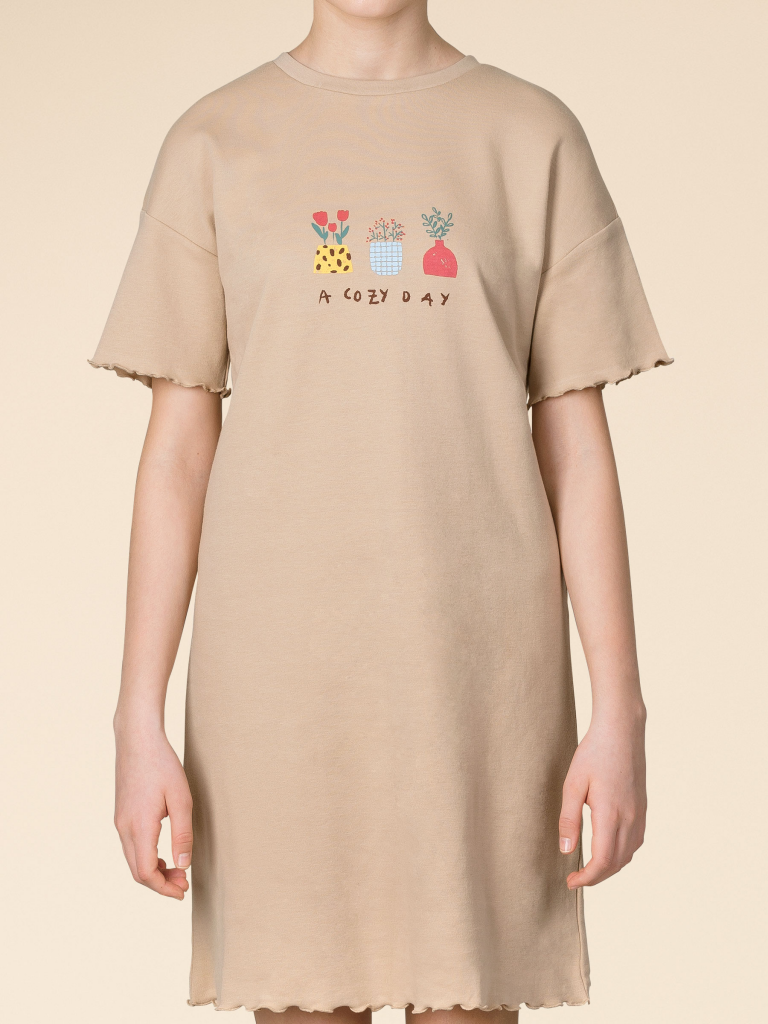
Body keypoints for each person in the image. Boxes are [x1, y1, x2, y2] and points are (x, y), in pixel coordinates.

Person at [89, 2, 672, 1022]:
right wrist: (137, 716)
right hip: (278, 690)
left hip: (480, 681)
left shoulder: (531, 136)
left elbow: (577, 445)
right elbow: (177, 453)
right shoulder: (213, 141)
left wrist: (619, 707)